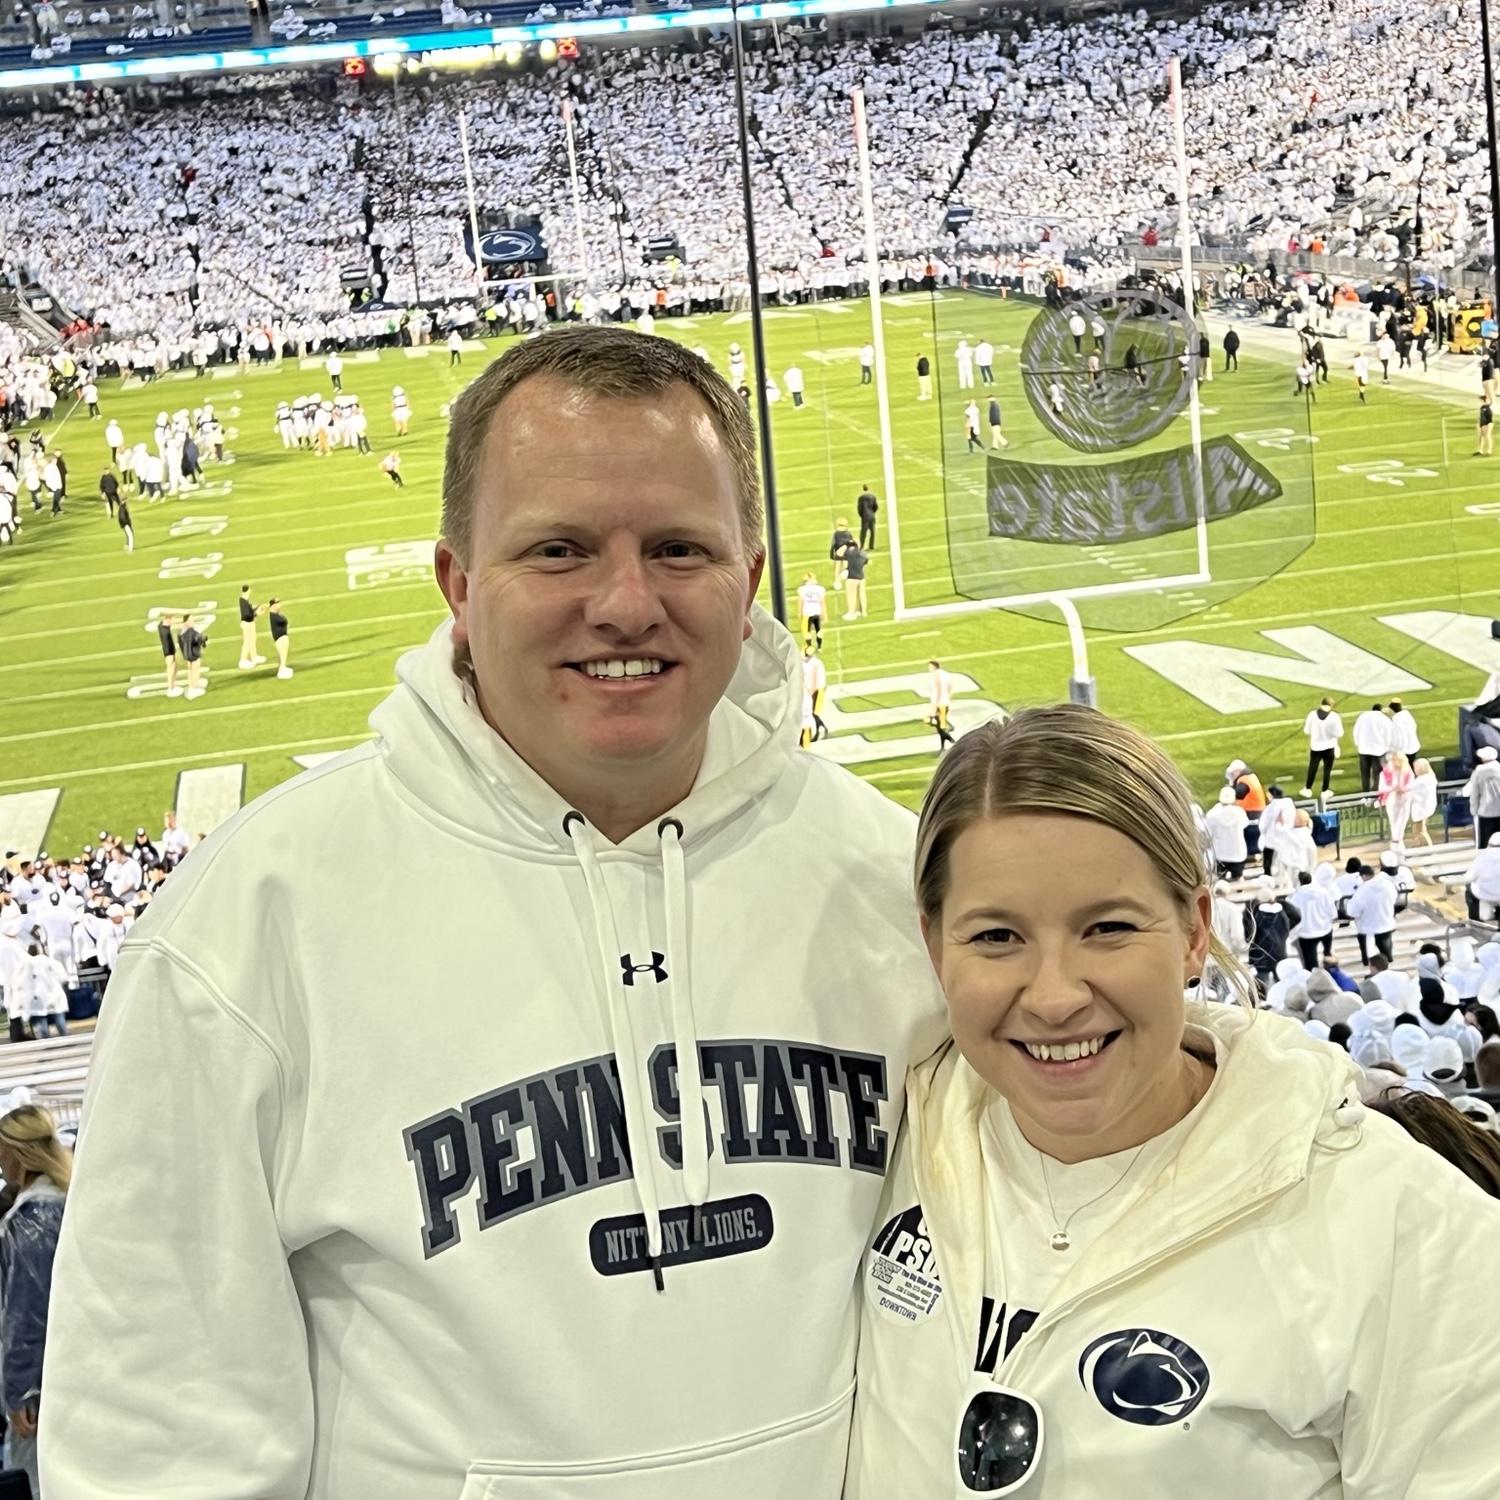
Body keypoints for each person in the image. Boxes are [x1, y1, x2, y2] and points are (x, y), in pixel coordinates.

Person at [42, 325, 948, 1498]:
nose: (625, 603)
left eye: (678, 548)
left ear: (751, 579)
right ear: (458, 586)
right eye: (559, 550)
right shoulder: (248, 925)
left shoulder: (896, 882)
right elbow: (153, 1441)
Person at [847, 703, 1500, 1498]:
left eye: (1107, 928)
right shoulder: (883, 1139)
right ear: (933, 946)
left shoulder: (1400, 1222)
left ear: (1194, 932)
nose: (1053, 997)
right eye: (995, 937)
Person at [0, 1104, 71, 1500]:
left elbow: (25, 1313)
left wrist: (20, 1391)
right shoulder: (68, 1201)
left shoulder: (31, 1219)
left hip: (41, 1387)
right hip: (70, 1371)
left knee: (38, 1481)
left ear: (17, 1152)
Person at [1348, 863, 1398, 966]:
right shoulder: (1387, 885)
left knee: (1368, 950)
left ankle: (1367, 963)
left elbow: (1353, 911)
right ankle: (1388, 960)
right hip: (1386, 922)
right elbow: (1394, 899)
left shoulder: (1362, 890)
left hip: (1367, 927)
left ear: (1363, 876)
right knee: (1385, 944)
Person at [1203, 786, 1248, 879]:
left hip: (1220, 853)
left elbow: (1208, 833)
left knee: (1220, 879)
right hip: (1237, 852)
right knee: (1238, 878)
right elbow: (1245, 825)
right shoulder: (1239, 813)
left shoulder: (1212, 814)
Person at [1300, 696, 1342, 797]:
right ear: (1331, 705)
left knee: (1313, 767)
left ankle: (1308, 788)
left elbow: (1306, 730)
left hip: (1316, 746)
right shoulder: (1334, 717)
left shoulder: (1312, 715)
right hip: (1329, 746)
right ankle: (1325, 790)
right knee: (1327, 769)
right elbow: (1339, 733)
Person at [1377, 751, 1415, 850]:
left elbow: (1412, 785)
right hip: (1392, 798)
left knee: (1402, 822)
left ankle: (1398, 842)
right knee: (1394, 822)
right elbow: (1382, 788)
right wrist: (1393, 788)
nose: (1395, 762)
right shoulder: (1385, 773)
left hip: (1405, 798)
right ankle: (1396, 843)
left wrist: (1403, 789)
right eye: (1393, 760)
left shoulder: (1408, 772)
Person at [1466, 745, 1500, 851]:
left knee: (1484, 843)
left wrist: (1474, 810)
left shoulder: (1478, 772)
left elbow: (1475, 793)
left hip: (1485, 811)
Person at [1352, 702, 1390, 794]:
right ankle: (1376, 793)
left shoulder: (1363, 716)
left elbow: (1356, 731)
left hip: (1363, 749)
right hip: (1378, 750)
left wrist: (1358, 744)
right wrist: (1386, 748)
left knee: (1365, 773)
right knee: (1377, 774)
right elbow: (1388, 735)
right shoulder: (1384, 719)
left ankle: (1365, 793)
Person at [927, 659, 956, 752]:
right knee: (940, 725)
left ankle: (951, 742)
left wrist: (934, 707)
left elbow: (938, 691)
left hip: (939, 704)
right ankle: (947, 743)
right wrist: (948, 697)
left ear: (934, 667)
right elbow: (951, 687)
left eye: (930, 666)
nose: (929, 668)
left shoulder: (936, 676)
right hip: (945, 702)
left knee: (937, 724)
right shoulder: (944, 673)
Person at [1408, 757, 1437, 847]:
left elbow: (1410, 789)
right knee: (1417, 829)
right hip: (1424, 806)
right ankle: (1419, 845)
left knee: (1420, 830)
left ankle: (1428, 847)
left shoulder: (1422, 780)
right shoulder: (1430, 778)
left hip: (1421, 807)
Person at [178, 613, 207, 699]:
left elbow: (180, 644)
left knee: (190, 671)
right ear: (186, 622)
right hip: (194, 654)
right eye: (190, 620)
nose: (192, 621)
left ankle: (191, 687)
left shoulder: (181, 632)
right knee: (195, 670)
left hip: (187, 654)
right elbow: (199, 640)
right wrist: (203, 641)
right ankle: (194, 688)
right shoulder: (192, 632)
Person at [238, 584, 266, 671]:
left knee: (253, 639)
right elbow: (246, 615)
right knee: (247, 641)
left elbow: (250, 612)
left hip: (250, 622)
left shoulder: (245, 600)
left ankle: (254, 656)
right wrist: (256, 613)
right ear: (248, 590)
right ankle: (242, 660)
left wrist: (258, 608)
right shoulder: (243, 601)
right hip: (247, 623)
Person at [1387, 697, 1420, 768]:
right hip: (1413, 747)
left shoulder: (1394, 721)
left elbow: (1396, 737)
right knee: (1411, 767)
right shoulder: (1407, 716)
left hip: (1403, 750)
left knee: (1403, 769)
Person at [796, 572, 825, 650]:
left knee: (807, 630)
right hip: (817, 611)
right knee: (818, 630)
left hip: (807, 613)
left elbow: (800, 602)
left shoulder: (802, 589)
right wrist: (824, 614)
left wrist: (799, 612)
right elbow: (822, 602)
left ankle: (809, 646)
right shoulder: (820, 589)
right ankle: (819, 646)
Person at [841, 541, 869, 620]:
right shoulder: (863, 553)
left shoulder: (847, 552)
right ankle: (863, 612)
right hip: (861, 576)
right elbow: (865, 563)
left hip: (852, 577)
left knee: (851, 594)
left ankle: (851, 612)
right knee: (862, 594)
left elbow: (845, 565)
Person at [157, 611, 181, 697]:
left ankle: (172, 685)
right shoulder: (164, 629)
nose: (172, 621)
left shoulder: (163, 627)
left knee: (174, 665)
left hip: (169, 647)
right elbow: (166, 643)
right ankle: (171, 687)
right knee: (171, 665)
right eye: (171, 619)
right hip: (168, 648)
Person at [268, 598, 292, 680]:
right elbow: (282, 621)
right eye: (278, 603)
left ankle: (282, 668)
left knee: (283, 654)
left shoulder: (275, 614)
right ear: (273, 605)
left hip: (282, 636)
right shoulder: (273, 615)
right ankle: (281, 671)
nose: (279, 604)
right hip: (280, 637)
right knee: (282, 655)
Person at [856, 485, 879, 552]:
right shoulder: (873, 497)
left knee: (863, 532)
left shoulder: (861, 498)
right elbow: (876, 507)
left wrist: (862, 515)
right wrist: (872, 512)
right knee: (872, 531)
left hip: (865, 516)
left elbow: (859, 509)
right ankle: (871, 546)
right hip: (872, 515)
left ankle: (861, 546)